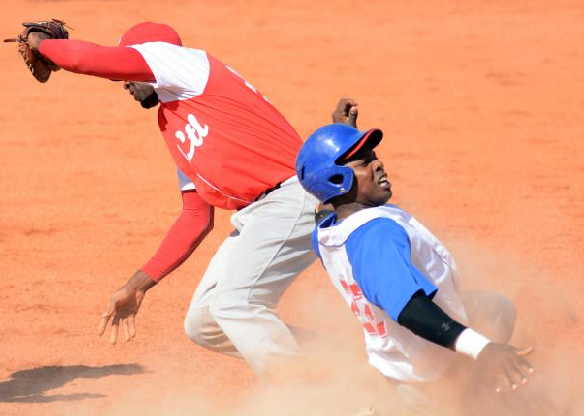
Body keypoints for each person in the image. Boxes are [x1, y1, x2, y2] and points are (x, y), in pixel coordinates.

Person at [23, 21, 320, 374]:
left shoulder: (188, 65)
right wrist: (137, 285)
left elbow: (93, 60)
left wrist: (41, 45)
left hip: (291, 199)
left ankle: (307, 394)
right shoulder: (176, 119)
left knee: (236, 305)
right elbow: (196, 217)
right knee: (207, 323)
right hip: (261, 214)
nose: (125, 83)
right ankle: (338, 359)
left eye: (130, 71)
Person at [295, 101, 535, 411]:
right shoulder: (375, 236)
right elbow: (410, 309)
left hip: (401, 356)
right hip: (428, 373)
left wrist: (344, 136)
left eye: (374, 157)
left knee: (495, 308)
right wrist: (483, 348)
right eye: (364, 162)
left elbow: (330, 200)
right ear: (338, 180)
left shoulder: (330, 226)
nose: (378, 164)